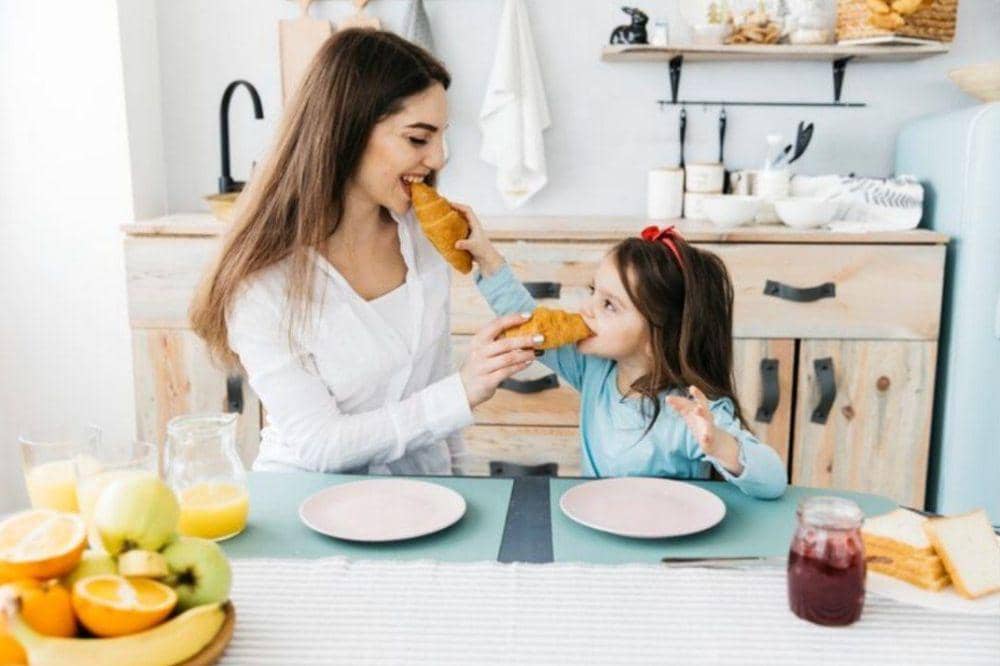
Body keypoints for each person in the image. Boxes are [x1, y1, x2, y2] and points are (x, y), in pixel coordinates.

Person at [190, 30, 538, 474]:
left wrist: (461, 485)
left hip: (420, 495)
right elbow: (321, 445)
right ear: (348, 132)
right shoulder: (262, 282)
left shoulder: (424, 236)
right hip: (307, 497)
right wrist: (463, 390)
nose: (439, 159)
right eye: (418, 139)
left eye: (441, 137)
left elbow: (433, 384)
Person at [455, 213, 788, 499]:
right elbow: (526, 320)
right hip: (599, 525)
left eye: (609, 305)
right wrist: (486, 256)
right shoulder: (593, 369)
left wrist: (721, 445)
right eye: (593, 292)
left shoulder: (692, 413)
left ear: (657, 337)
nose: (586, 309)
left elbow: (773, 482)